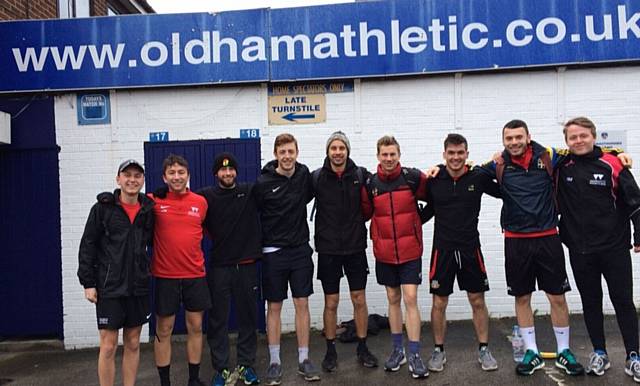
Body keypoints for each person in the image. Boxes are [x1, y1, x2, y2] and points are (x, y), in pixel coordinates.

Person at [479, 119, 584, 376]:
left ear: (528, 136)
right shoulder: (498, 164)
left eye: (518, 137)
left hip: (548, 237)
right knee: (522, 297)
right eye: (509, 138)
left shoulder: (548, 156)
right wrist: (436, 170)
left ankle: (563, 351)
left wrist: (618, 154)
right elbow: (467, 171)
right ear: (503, 141)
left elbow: (582, 150)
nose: (514, 142)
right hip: (515, 240)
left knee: (557, 297)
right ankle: (531, 352)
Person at [556, 117, 640, 380]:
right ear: (567, 142)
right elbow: (530, 151)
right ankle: (600, 353)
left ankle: (634, 356)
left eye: (583, 135)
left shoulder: (613, 163)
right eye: (573, 137)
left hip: (614, 248)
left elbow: (635, 202)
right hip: (580, 250)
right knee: (591, 303)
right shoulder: (560, 166)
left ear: (593, 136)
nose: (578, 141)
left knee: (623, 302)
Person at [423, 134, 500, 373]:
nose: (455, 157)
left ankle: (484, 349)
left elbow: (507, 191)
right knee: (439, 302)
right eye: (451, 153)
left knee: (477, 300)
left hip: (470, 249)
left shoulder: (478, 176)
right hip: (442, 250)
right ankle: (438, 351)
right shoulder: (434, 180)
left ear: (467, 153)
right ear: (444, 154)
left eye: (460, 153)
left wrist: (500, 164)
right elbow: (424, 209)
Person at [78, 159, 154, 386]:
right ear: (118, 179)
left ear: (142, 180)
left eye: (137, 176)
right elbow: (88, 245)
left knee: (132, 342)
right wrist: (88, 283)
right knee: (109, 345)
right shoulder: (103, 208)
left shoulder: (148, 210)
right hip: (109, 286)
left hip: (137, 286)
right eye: (127, 175)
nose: (132, 180)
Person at [361, 135, 429, 379]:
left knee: (410, 298)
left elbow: (433, 198)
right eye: (384, 154)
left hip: (410, 250)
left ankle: (414, 353)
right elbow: (365, 213)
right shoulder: (370, 183)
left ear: (399, 154)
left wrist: (417, 223)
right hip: (385, 253)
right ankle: (397, 350)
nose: (389, 159)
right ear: (378, 156)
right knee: (393, 298)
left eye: (393, 154)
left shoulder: (412, 178)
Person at [254, 133, 320, 385]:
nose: (287, 156)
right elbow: (252, 212)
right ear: (275, 155)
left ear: (297, 152)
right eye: (282, 152)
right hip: (273, 252)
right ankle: (274, 362)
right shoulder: (263, 183)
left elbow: (327, 179)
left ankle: (304, 359)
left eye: (291, 151)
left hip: (300, 250)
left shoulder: (304, 176)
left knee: (302, 303)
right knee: (274, 306)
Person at [311, 131, 378, 372]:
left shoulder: (360, 175)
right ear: (328, 151)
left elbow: (386, 181)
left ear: (347, 150)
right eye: (333, 148)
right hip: (328, 249)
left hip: (355, 247)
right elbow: (291, 190)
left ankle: (362, 347)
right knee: (331, 301)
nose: (337, 152)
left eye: (341, 148)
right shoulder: (317, 178)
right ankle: (330, 351)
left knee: (359, 299)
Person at [198, 152, 262, 386]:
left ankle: (246, 365)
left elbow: (274, 184)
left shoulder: (249, 191)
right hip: (220, 267)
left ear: (236, 171)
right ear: (216, 173)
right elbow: (183, 200)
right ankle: (221, 369)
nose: (227, 173)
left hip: (247, 266)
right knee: (218, 320)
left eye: (231, 169)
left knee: (248, 317)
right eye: (222, 170)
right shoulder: (206, 196)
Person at [150, 154, 210, 386]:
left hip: (195, 275)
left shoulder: (200, 202)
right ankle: (165, 382)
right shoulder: (153, 201)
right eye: (172, 173)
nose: (177, 177)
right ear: (164, 177)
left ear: (188, 176)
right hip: (166, 276)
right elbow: (130, 203)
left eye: (181, 172)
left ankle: (193, 380)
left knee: (195, 327)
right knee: (163, 330)